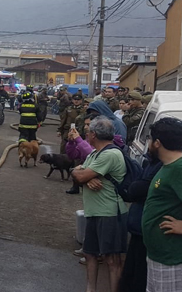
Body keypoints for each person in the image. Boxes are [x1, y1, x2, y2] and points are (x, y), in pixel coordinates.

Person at [71, 117, 128, 292]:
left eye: (88, 131)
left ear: (93, 135)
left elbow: (80, 175)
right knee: (90, 254)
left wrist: (84, 176)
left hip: (110, 213)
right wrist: (86, 177)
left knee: (112, 259)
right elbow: (76, 171)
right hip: (95, 212)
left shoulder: (111, 154)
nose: (86, 134)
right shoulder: (95, 154)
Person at [141, 118, 182, 292]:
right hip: (161, 255)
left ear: (157, 143)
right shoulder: (169, 166)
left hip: (174, 259)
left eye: (150, 138)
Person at [118, 152, 163, 292]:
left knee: (140, 278)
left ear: (158, 142)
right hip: (138, 228)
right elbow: (133, 189)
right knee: (130, 276)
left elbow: (138, 189)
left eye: (151, 138)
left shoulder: (166, 166)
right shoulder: (151, 163)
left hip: (150, 232)